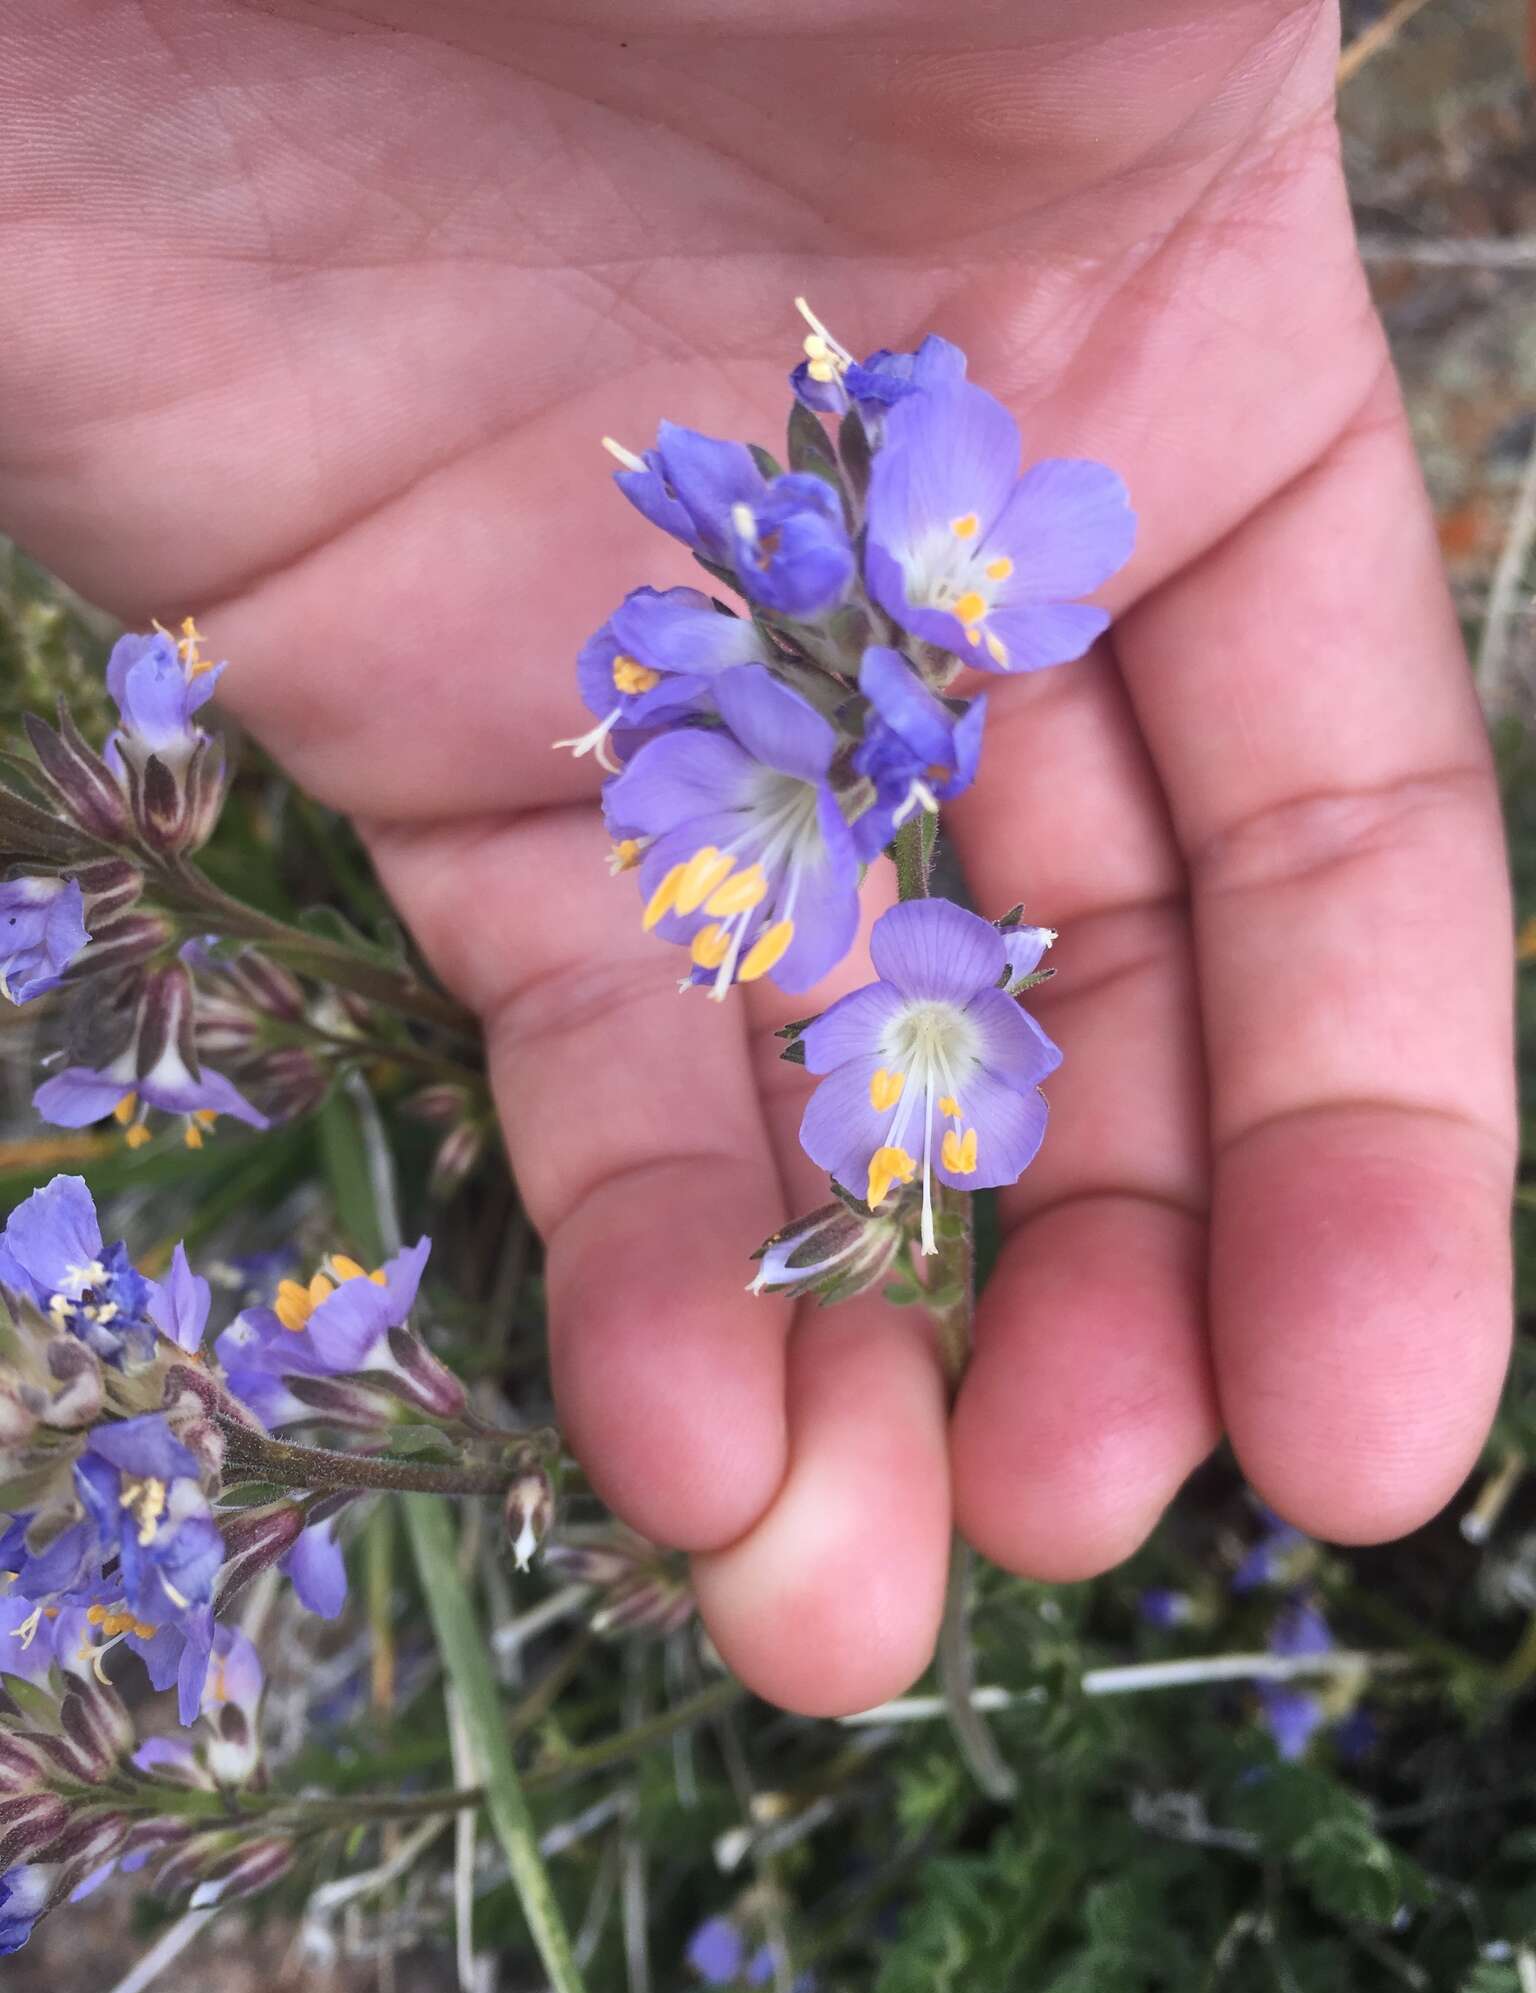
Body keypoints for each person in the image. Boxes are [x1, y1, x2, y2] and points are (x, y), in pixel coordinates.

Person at [0, 0, 1513, 1716]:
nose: (943, 617)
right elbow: (807, 768)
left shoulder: (917, 693)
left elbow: (900, 731)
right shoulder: (823, 750)